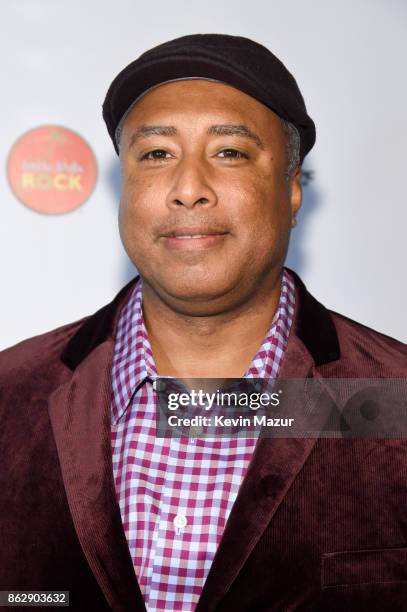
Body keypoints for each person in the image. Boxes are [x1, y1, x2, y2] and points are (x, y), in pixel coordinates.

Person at [0, 33, 406, 612]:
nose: (189, 189)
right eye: (157, 155)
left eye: (230, 153)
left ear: (292, 190)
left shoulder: (393, 397)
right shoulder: (12, 395)